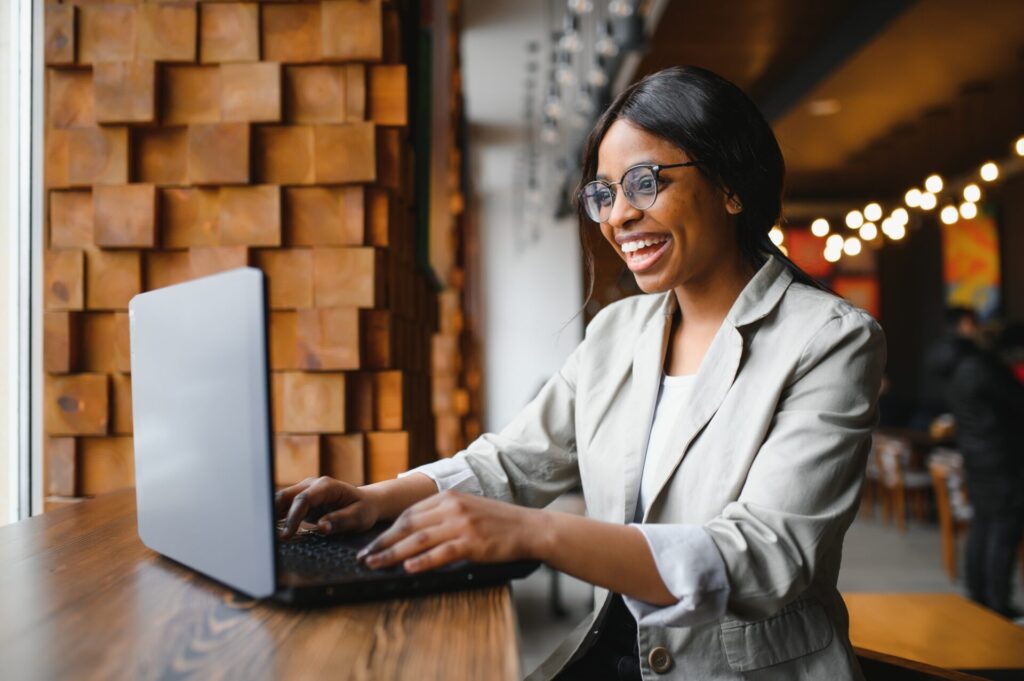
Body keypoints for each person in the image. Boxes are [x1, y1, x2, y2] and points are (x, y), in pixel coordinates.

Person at [276, 66, 886, 680]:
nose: (617, 216)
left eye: (644, 183)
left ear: (730, 185)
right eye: (603, 193)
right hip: (617, 654)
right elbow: (513, 463)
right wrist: (374, 498)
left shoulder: (830, 340)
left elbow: (766, 559)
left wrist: (536, 534)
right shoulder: (617, 332)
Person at [927, 307, 1024, 618]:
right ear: (967, 324)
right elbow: (1015, 401)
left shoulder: (950, 364)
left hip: (974, 453)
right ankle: (997, 603)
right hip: (1002, 455)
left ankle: (979, 595)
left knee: (983, 523)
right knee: (1003, 528)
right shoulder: (978, 364)